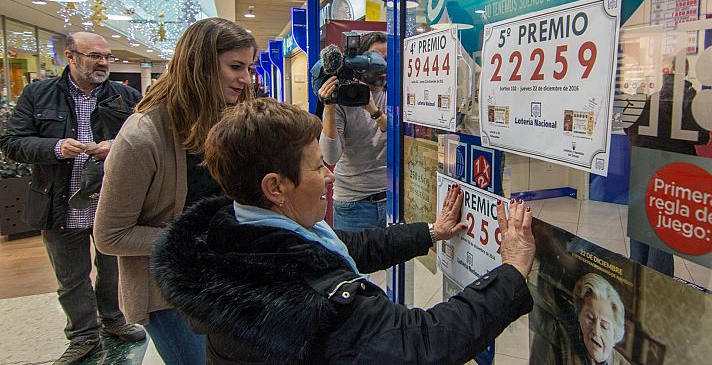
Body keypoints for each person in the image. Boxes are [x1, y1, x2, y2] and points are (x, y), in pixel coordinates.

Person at [151, 98, 536, 364]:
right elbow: (422, 343)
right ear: (276, 187)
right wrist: (512, 271)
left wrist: (431, 232)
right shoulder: (313, 304)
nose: (330, 176)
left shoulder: (234, 233)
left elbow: (346, 247)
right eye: (318, 167)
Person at [93, 18, 257, 365]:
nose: (246, 78)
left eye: (249, 67)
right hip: (168, 293)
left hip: (221, 279)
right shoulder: (141, 138)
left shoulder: (223, 119)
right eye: (235, 67)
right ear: (199, 65)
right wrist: (200, 238)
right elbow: (110, 236)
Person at [0, 32, 144, 364]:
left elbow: (146, 136)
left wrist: (115, 146)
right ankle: (82, 335)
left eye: (106, 56)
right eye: (95, 55)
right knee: (71, 276)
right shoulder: (38, 95)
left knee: (113, 268)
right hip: (58, 200)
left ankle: (114, 320)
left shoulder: (125, 96)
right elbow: (12, 142)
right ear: (71, 56)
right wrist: (55, 148)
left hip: (111, 199)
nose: (103, 62)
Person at [625, 57, 709, 277]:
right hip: (670, 175)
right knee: (660, 234)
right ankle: (656, 285)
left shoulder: (650, 99)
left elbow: (631, 129)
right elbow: (701, 136)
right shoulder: (686, 100)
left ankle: (638, 281)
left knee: (641, 229)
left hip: (643, 168)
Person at [319, 31, 389, 232]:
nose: (382, 66)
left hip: (393, 197)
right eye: (375, 58)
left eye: (386, 59)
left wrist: (374, 112)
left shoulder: (395, 94)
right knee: (355, 263)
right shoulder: (343, 100)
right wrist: (330, 106)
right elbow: (330, 156)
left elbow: (400, 142)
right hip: (354, 204)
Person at [571, 273, 630, 365]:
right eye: (589, 318)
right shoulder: (560, 341)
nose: (596, 331)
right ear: (579, 315)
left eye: (604, 326)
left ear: (615, 333)